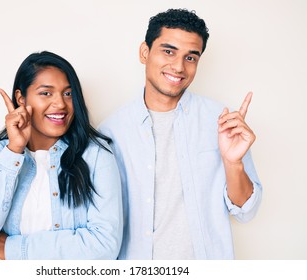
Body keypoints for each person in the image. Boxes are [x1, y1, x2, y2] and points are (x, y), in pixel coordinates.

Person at [99, 8, 262, 259]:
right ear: (145, 52)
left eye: (190, 57)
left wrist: (233, 163)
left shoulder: (221, 120)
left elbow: (245, 212)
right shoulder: (110, 133)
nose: (178, 66)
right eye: (168, 51)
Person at [0, 51, 123, 260]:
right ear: (21, 98)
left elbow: (105, 245)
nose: (61, 104)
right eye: (46, 93)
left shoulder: (96, 157)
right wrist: (13, 151)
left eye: (68, 93)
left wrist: (13, 249)